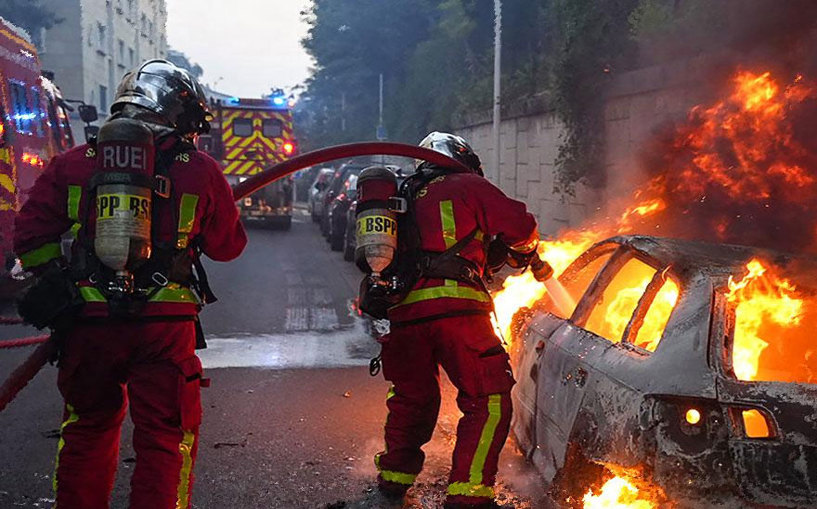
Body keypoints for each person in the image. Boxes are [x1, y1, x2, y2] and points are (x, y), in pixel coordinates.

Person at [14, 60, 247, 509]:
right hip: (164, 326)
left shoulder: (76, 162)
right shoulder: (198, 169)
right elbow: (227, 248)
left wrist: (55, 280)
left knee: (87, 430)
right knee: (164, 437)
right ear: (179, 116)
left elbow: (30, 235)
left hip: (87, 322)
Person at [374, 132, 542, 508]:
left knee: (411, 398)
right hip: (457, 310)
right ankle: (469, 495)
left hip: (403, 315)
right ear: (461, 158)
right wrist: (526, 250)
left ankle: (393, 479)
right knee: (488, 399)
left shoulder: (396, 198)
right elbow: (521, 226)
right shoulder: (468, 184)